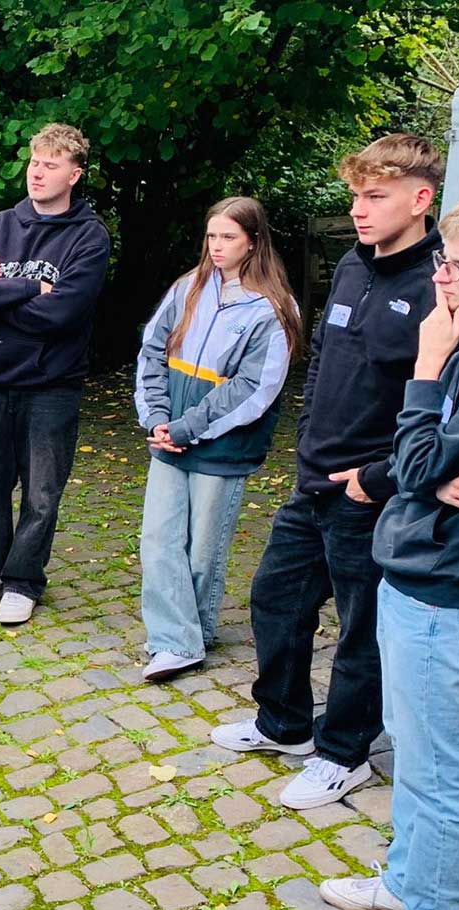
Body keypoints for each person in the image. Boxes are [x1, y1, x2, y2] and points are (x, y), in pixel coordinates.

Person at [210, 135, 444, 811]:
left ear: (420, 198)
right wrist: (308, 443)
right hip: (312, 478)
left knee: (361, 627)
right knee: (275, 599)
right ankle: (281, 723)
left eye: (376, 197)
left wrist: (382, 476)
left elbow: (446, 403)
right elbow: (325, 363)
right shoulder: (352, 264)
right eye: (355, 196)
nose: (360, 210)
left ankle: (344, 754)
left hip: (371, 491)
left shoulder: (439, 282)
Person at [319, 190, 459, 910]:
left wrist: (425, 373)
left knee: (441, 772)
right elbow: (419, 458)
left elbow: (420, 457)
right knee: (413, 748)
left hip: (452, 590)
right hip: (413, 568)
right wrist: (428, 470)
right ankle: (403, 881)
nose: (444, 279)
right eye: (443, 262)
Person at [0, 122, 113, 625]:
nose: (38, 173)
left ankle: (24, 579)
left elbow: (64, 314)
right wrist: (27, 291)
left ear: (74, 174)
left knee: (42, 492)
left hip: (52, 387)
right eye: (34, 162)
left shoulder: (89, 237)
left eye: (51, 165)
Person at [133, 197, 299, 682]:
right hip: (168, 438)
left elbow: (255, 390)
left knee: (202, 549)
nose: (218, 246)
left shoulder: (273, 309)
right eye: (212, 236)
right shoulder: (188, 288)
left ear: (253, 240)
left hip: (221, 446)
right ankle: (174, 639)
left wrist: (189, 427)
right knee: (160, 539)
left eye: (228, 237)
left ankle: (194, 632)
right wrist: (158, 419)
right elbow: (152, 352)